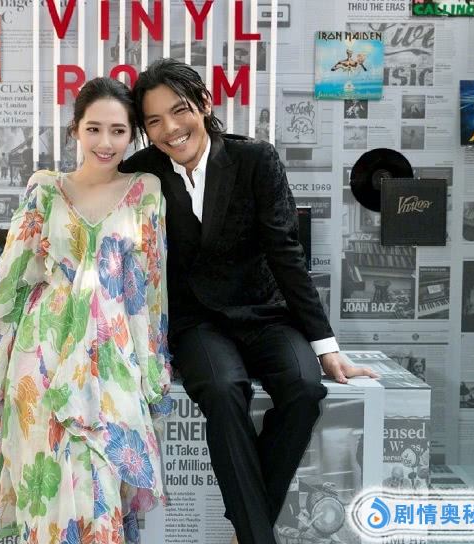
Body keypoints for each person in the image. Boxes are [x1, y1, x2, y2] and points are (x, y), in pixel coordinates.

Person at [120, 58, 378, 544]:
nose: (170, 129)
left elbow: (286, 253)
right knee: (222, 391)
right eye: (154, 121)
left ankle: (248, 526)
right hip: (197, 323)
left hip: (266, 312)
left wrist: (325, 346)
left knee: (304, 389)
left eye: (179, 110)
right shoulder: (139, 173)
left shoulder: (255, 159)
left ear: (204, 103)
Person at [0, 77, 171, 543]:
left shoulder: (146, 190)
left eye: (118, 131)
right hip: (41, 354)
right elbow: (13, 278)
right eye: (94, 128)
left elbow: (149, 290)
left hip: (110, 356)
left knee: (102, 484)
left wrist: (151, 369)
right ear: (75, 129)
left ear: (132, 135)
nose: (105, 142)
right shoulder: (45, 189)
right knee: (45, 487)